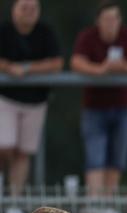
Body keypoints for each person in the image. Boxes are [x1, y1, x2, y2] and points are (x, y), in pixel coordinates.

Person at [71, 1, 127, 197]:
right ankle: (95, 203)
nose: (111, 23)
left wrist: (123, 68)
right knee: (95, 156)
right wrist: (101, 70)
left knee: (117, 158)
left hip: (123, 106)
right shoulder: (88, 37)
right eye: (107, 19)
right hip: (94, 107)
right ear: (98, 21)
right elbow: (76, 62)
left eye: (115, 18)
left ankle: (108, 203)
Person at [0, 0, 62, 202]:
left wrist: (26, 69)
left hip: (35, 101)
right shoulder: (4, 31)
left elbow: (56, 63)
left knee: (23, 152)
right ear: (14, 10)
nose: (29, 12)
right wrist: (9, 68)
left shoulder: (45, 32)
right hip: (6, 98)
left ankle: (13, 201)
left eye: (33, 8)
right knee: (5, 144)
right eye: (24, 7)